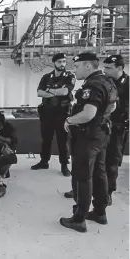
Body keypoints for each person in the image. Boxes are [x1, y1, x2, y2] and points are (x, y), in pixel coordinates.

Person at [60, 52, 117, 233]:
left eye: (76, 66)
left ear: (87, 66)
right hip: (101, 134)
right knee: (100, 173)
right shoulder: (108, 82)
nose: (73, 69)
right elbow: (113, 106)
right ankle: (100, 212)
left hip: (88, 136)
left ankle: (79, 219)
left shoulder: (92, 85)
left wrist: (69, 121)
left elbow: (88, 114)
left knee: (83, 176)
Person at [32, 53, 75, 176]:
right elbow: (39, 93)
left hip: (62, 113)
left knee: (63, 140)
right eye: (60, 62)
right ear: (54, 63)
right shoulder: (46, 77)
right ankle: (44, 161)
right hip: (47, 113)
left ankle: (64, 165)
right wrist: (56, 93)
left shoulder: (69, 76)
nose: (62, 64)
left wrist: (49, 90)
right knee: (46, 139)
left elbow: (65, 91)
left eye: (64, 61)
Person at [103, 55, 129, 205]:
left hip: (117, 128)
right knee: (94, 158)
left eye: (108, 68)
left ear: (119, 68)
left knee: (112, 161)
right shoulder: (105, 81)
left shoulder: (128, 83)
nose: (104, 70)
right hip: (102, 125)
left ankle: (108, 192)